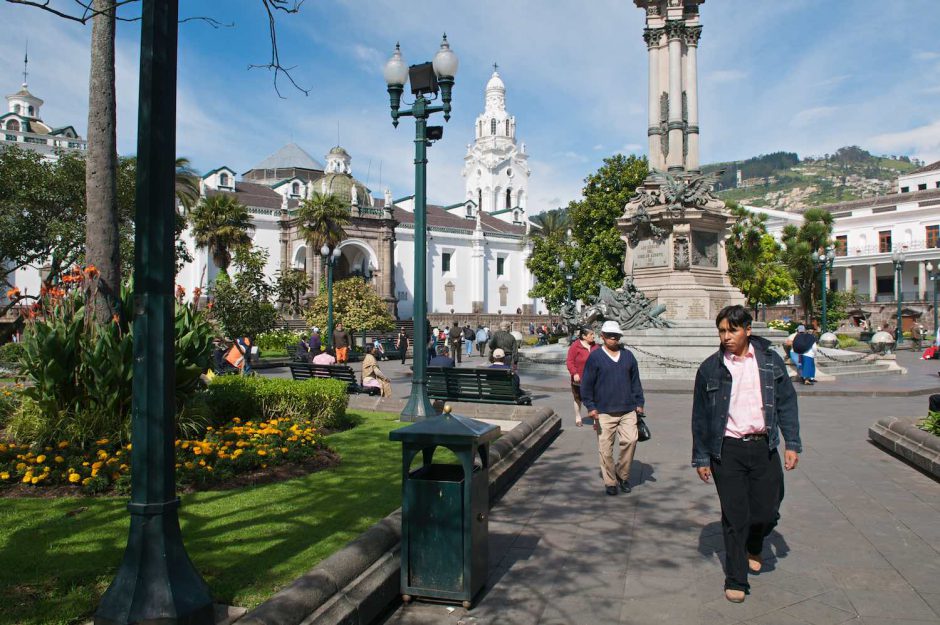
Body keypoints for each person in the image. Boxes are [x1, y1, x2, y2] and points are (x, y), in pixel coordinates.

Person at [691, 305, 801, 604]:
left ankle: (755, 543)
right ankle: (736, 578)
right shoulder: (710, 368)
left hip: (764, 446)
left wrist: (792, 443)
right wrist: (701, 457)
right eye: (722, 331)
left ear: (748, 330)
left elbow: (786, 403)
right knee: (735, 515)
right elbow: (700, 417)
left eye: (732, 330)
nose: (726, 337)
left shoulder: (769, 362)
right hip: (727, 450)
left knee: (767, 510)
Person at [580, 320, 644, 497]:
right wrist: (590, 406)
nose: (613, 338)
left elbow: (635, 382)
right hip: (604, 411)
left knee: (631, 441)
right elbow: (587, 384)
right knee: (605, 450)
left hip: (628, 409)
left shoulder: (628, 356)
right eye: (609, 336)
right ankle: (610, 481)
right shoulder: (595, 357)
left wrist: (639, 403)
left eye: (616, 335)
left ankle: (622, 475)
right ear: (602, 337)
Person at [566, 326, 599, 427]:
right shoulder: (575, 346)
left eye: (593, 334)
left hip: (594, 378)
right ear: (584, 336)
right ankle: (578, 417)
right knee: (578, 399)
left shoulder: (596, 346)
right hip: (579, 379)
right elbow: (569, 361)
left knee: (596, 398)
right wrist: (574, 373)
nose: (594, 336)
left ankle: (595, 419)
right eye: (591, 334)